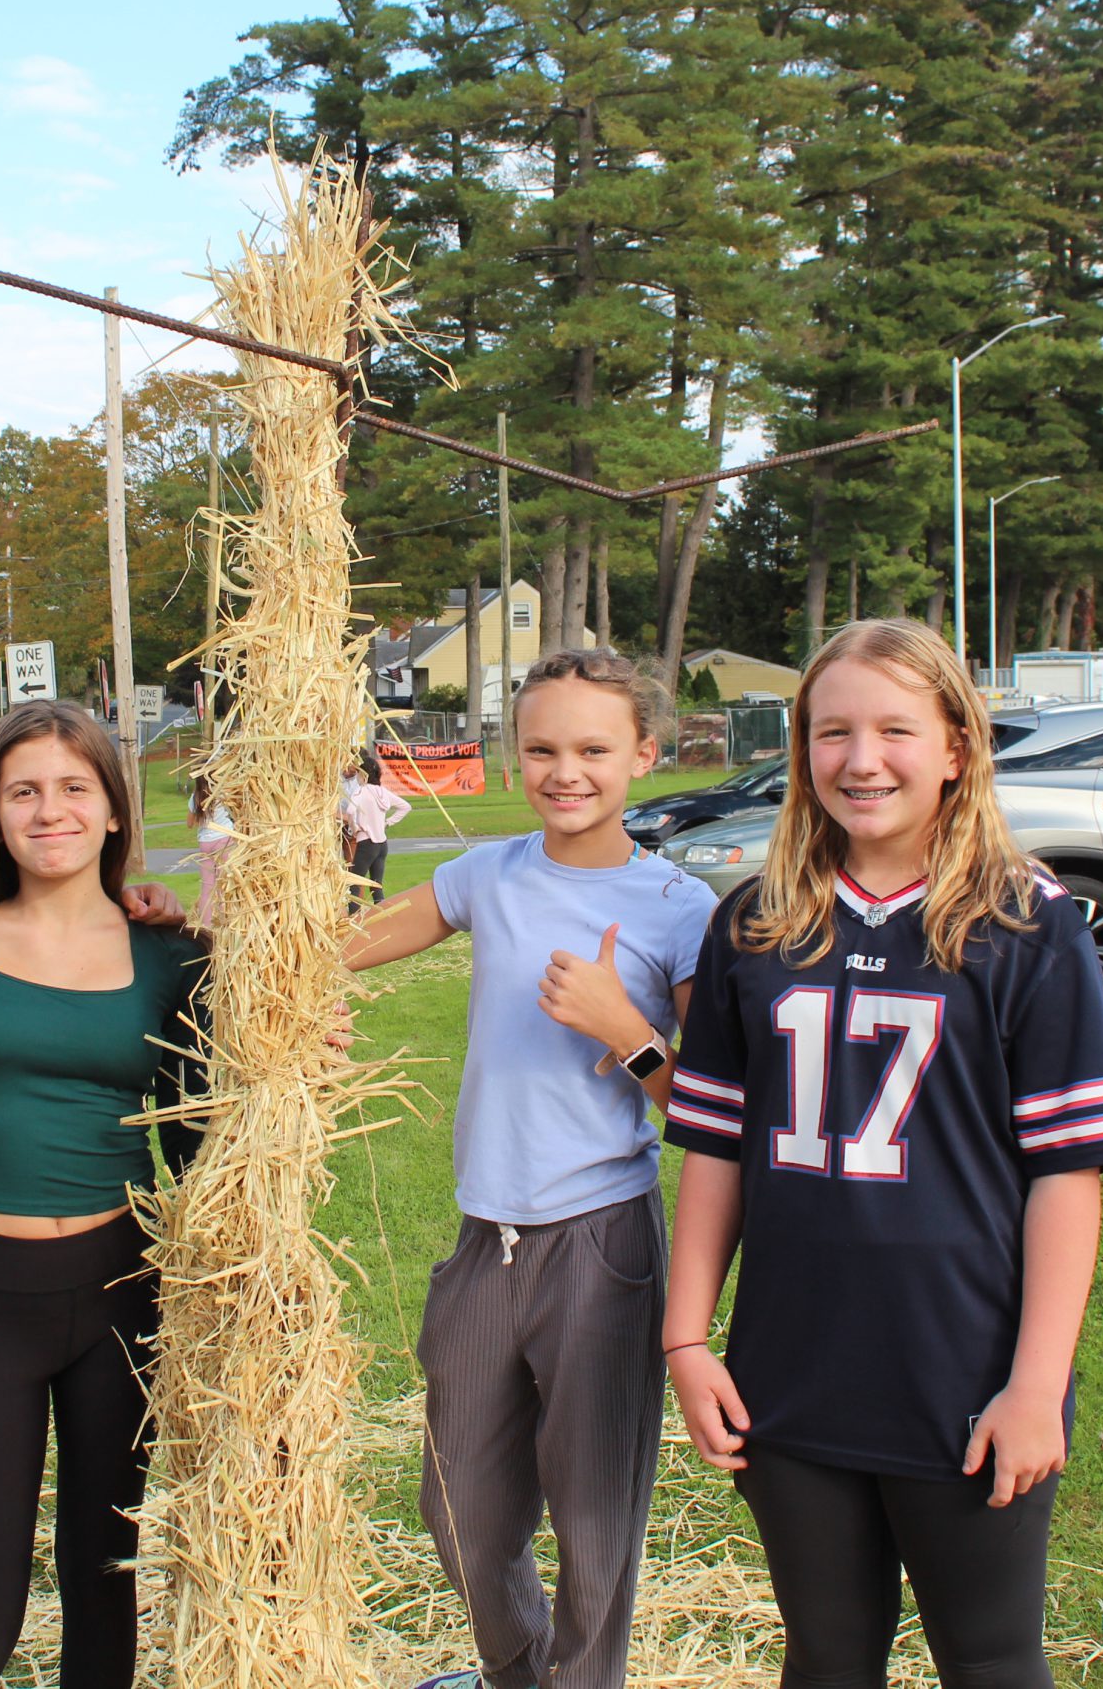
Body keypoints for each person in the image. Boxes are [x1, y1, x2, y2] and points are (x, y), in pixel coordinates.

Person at [660, 619, 1103, 1689]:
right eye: (831, 732)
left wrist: (1036, 1382)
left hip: (962, 1372)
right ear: (801, 751)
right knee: (827, 1654)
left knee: (987, 1657)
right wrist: (687, 1342)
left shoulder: (1025, 923)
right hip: (791, 1369)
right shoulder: (752, 923)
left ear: (956, 750)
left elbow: (1065, 1175)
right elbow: (714, 1148)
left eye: (893, 730)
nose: (861, 759)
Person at [347, 648, 717, 1689]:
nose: (566, 770)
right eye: (543, 747)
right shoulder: (489, 875)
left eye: (594, 748)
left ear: (643, 754)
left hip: (602, 1243)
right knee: (457, 1503)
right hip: (483, 1242)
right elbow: (346, 946)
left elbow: (707, 1109)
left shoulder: (677, 908)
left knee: (595, 1518)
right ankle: (518, 1672)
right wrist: (277, 975)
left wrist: (627, 1031)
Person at [0, 700, 207, 1689]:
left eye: (75, 789)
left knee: (101, 1584)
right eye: (23, 791)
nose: (50, 810)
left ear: (114, 811)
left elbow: (199, 1135)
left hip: (117, 1289)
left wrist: (287, 1050)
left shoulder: (167, 955)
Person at [341, 748, 413, 911]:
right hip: (382, 844)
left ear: (363, 775)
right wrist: (388, 822)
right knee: (376, 884)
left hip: (367, 843)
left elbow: (351, 811)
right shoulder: (383, 792)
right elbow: (405, 806)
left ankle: (353, 916)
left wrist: (354, 828)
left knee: (355, 881)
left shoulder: (361, 792)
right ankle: (382, 917)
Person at [188, 762, 235, 926]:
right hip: (224, 840)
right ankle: (225, 921)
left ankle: (206, 924)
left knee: (207, 887)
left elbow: (189, 823)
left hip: (205, 842)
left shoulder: (195, 798)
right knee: (223, 884)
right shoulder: (222, 793)